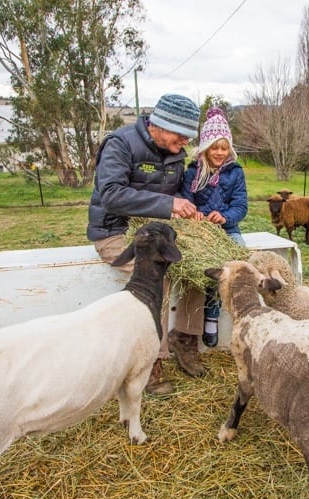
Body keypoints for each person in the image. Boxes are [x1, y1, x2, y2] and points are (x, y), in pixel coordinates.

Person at [86, 93, 206, 395]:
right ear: (162, 126)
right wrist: (168, 205)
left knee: (199, 267)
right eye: (181, 136)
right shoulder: (120, 144)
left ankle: (185, 337)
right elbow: (112, 195)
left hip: (158, 231)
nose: (184, 144)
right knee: (159, 278)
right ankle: (150, 360)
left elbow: (179, 192)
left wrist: (189, 208)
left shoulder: (174, 152)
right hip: (116, 232)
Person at [181, 107, 248, 347]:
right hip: (200, 231)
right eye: (214, 148)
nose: (219, 153)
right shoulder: (192, 172)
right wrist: (193, 213)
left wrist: (226, 217)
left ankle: (242, 315)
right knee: (207, 269)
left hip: (228, 230)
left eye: (224, 148)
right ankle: (209, 317)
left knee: (240, 263)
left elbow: (240, 206)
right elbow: (186, 199)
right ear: (205, 147)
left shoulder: (236, 173)